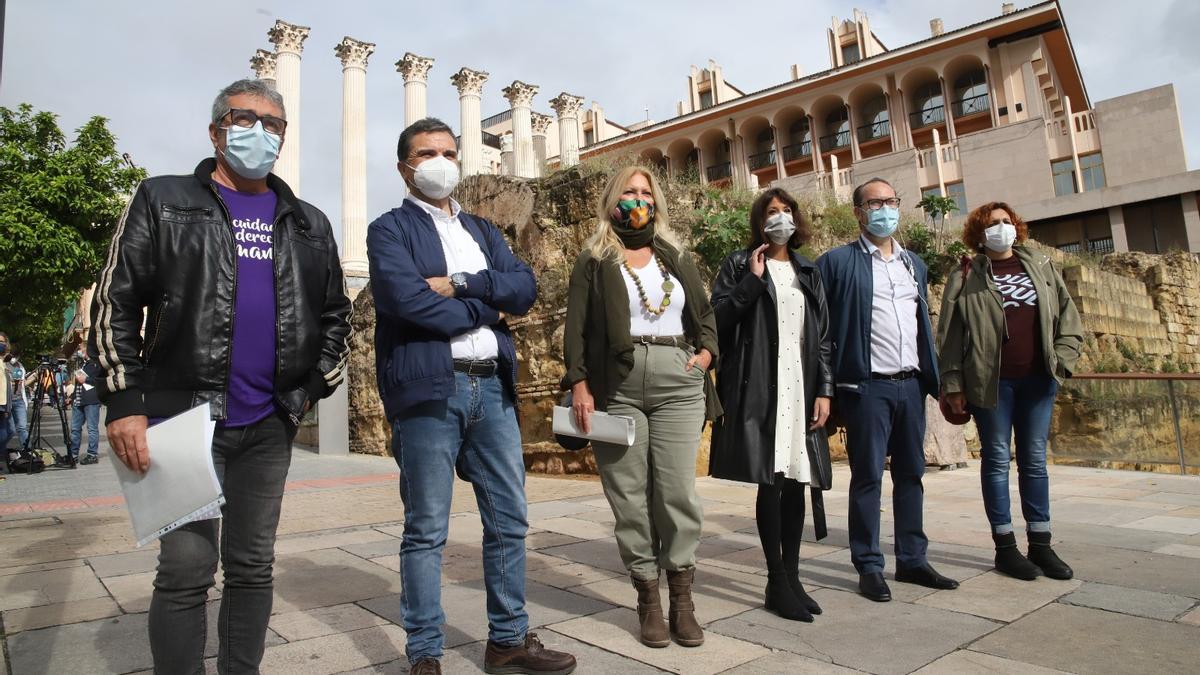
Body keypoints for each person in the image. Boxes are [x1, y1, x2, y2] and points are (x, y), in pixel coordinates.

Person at [88, 78, 352, 673]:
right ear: (216, 130)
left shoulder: (308, 222)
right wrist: (125, 400)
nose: (260, 132)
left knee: (253, 567)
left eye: (273, 123)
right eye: (244, 118)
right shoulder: (163, 199)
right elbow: (115, 302)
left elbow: (340, 318)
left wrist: (306, 393)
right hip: (180, 420)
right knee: (184, 570)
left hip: (267, 423)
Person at [367, 117, 576, 675]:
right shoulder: (389, 230)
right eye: (426, 152)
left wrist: (464, 284)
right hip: (431, 389)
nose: (440, 162)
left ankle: (508, 639)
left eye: (449, 152)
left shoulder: (484, 231)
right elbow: (408, 303)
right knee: (427, 526)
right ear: (404, 166)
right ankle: (425, 653)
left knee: (508, 518)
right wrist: (489, 303)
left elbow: (524, 287)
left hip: (494, 387)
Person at [563, 165, 720, 648]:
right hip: (620, 383)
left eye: (645, 192)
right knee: (628, 497)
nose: (637, 199)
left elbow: (705, 313)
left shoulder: (675, 254)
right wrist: (580, 385)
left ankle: (683, 601)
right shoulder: (595, 258)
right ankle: (648, 600)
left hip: (678, 377)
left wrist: (706, 354)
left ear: (656, 200)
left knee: (677, 493)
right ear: (612, 200)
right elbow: (576, 329)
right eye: (628, 192)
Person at [816, 177, 958, 602]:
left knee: (912, 475)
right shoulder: (837, 263)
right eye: (873, 202)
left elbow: (921, 327)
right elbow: (821, 329)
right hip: (867, 387)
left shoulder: (914, 264)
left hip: (911, 385)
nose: (884, 209)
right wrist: (827, 386)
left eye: (890, 201)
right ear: (859, 212)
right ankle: (869, 564)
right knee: (868, 478)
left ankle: (913, 560)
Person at [937, 202, 1083, 581]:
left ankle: (1041, 544)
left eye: (1006, 222)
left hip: (1038, 380)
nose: (1001, 228)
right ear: (979, 234)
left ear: (1016, 227)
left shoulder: (1042, 266)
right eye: (991, 224)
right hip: (991, 384)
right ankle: (1005, 547)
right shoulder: (966, 274)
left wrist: (1061, 363)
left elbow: (1068, 319)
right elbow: (950, 335)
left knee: (1034, 460)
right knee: (997, 459)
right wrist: (953, 383)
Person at [709, 188, 833, 622]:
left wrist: (825, 390)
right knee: (772, 480)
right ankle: (775, 580)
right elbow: (717, 323)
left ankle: (794, 578)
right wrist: (751, 281)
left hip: (801, 386)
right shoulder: (739, 264)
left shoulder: (809, 271)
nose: (780, 218)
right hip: (762, 386)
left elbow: (823, 339)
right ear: (759, 222)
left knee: (798, 480)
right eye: (771, 212)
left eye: (786, 211)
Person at [67, 366, 102, 465]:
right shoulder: (83, 364)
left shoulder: (97, 363)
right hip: (78, 401)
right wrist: (71, 397)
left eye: (82, 349)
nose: (81, 350)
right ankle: (73, 455)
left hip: (91, 401)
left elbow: (101, 380)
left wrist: (86, 379)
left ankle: (92, 454)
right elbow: (78, 385)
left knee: (92, 428)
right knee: (75, 428)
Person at [3, 350, 29, 450]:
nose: (14, 357)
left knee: (22, 427)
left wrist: (35, 377)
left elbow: (23, 384)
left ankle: (26, 450)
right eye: (13, 355)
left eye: (17, 355)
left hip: (19, 400)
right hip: (7, 401)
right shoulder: (3, 365)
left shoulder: (20, 366)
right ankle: (1, 449)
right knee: (10, 430)